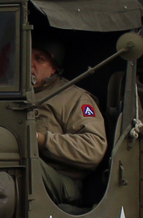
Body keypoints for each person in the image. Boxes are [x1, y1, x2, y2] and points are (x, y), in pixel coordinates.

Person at [31, 40, 107, 206]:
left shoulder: (73, 98)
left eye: (39, 59)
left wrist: (42, 140)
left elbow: (94, 148)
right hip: (19, 167)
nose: (31, 64)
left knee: (26, 168)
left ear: (54, 67)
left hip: (61, 181)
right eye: (26, 57)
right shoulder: (8, 93)